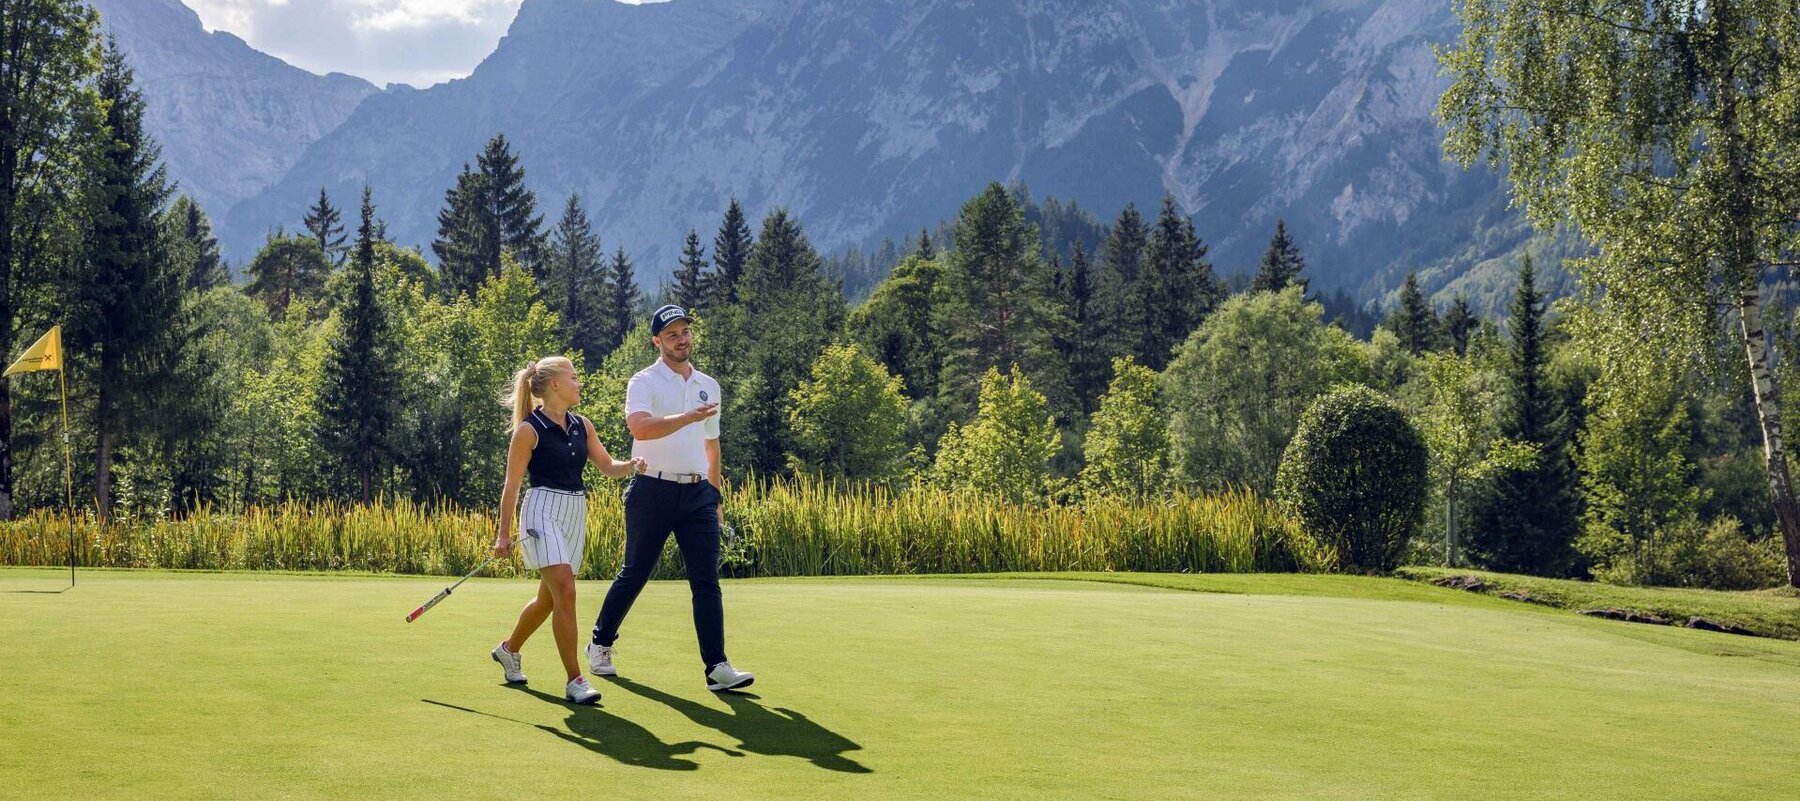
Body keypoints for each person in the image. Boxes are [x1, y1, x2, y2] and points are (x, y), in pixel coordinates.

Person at [588, 305, 755, 692]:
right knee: (636, 573)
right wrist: (686, 418)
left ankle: (717, 666)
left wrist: (715, 495)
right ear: (657, 341)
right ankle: (600, 643)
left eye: (685, 333)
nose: (682, 340)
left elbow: (712, 445)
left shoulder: (708, 385)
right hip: (652, 489)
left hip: (698, 492)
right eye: (673, 335)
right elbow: (640, 429)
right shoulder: (643, 381)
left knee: (706, 580)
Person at [490, 355, 645, 704]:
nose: (579, 382)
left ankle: (509, 649)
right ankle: (576, 679)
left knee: (550, 599)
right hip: (541, 510)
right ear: (555, 385)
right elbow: (511, 487)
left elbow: (607, 467)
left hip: (575, 511)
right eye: (573, 377)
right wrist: (502, 535)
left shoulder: (582, 425)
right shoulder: (528, 430)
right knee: (567, 591)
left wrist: (632, 465)